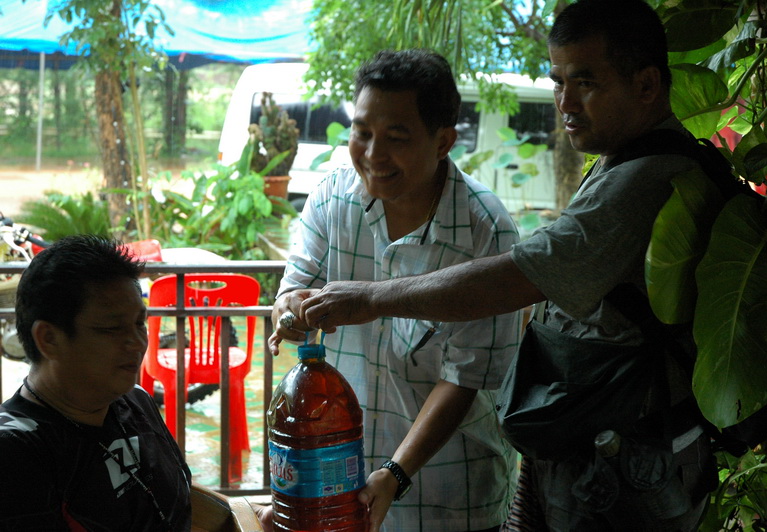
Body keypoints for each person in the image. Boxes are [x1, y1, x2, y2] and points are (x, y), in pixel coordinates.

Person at [299, 2, 719, 531]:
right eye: (558, 81)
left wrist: (370, 298)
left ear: (647, 84)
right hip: (588, 449)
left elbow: (519, 277)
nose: (565, 102)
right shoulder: (623, 162)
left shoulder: (644, 181)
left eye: (586, 82)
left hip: (628, 465)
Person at [269, 49, 522, 532]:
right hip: (339, 486)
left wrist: (394, 474)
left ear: (443, 141)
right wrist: (291, 312)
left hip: (450, 499)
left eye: (396, 137)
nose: (372, 154)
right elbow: (291, 292)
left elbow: (466, 377)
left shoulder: (484, 231)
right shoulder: (332, 197)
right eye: (362, 132)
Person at [0, 235, 194, 531]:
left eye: (139, 323)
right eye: (111, 328)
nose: (137, 343)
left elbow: (172, 498)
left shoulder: (135, 400)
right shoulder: (16, 450)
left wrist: (249, 514)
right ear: (49, 339)